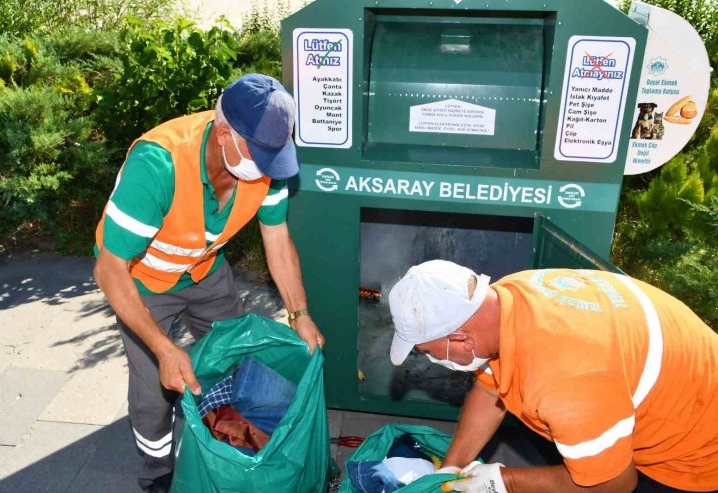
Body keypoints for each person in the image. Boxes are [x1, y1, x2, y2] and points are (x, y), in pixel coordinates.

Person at [93, 74, 324, 492]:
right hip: (141, 282)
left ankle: (223, 431)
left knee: (234, 356)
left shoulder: (265, 167)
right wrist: (164, 349)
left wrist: (300, 313)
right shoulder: (159, 165)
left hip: (204, 268)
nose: (269, 169)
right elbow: (110, 270)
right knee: (153, 392)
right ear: (223, 135)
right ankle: (158, 471)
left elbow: (277, 239)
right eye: (261, 155)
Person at [388, 260, 718, 493]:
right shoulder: (508, 296)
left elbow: (614, 483)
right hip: (673, 383)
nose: (431, 358)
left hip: (695, 453)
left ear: (462, 338)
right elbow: (491, 390)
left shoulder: (565, 382)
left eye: (429, 350)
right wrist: (452, 467)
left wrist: (505, 482)